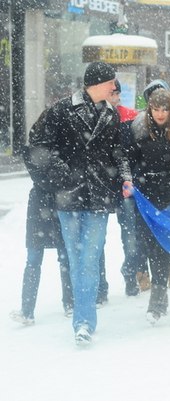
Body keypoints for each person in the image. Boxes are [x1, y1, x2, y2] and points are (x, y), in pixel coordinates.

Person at [28, 61, 130, 346]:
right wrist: (60, 174)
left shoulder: (112, 114)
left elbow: (118, 153)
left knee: (89, 259)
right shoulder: (62, 110)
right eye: (111, 82)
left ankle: (84, 321)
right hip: (68, 198)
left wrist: (124, 178)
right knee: (77, 260)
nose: (114, 87)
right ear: (97, 83)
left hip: (99, 197)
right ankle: (82, 320)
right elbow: (38, 144)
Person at [125, 88, 170, 324]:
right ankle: (159, 295)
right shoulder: (139, 130)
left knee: (163, 246)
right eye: (155, 109)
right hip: (145, 196)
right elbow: (128, 160)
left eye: (164, 109)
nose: (160, 114)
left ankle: (157, 298)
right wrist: (129, 181)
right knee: (146, 244)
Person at [9, 111, 73, 325]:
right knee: (41, 257)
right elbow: (52, 179)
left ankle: (67, 304)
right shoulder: (36, 150)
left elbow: (62, 177)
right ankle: (29, 310)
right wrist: (59, 166)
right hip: (47, 204)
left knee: (60, 257)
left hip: (53, 204)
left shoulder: (60, 148)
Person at [107, 79, 144, 296]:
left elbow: (136, 153)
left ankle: (130, 273)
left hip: (128, 186)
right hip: (106, 184)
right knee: (128, 235)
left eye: (114, 92)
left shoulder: (130, 117)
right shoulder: (95, 118)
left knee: (131, 236)